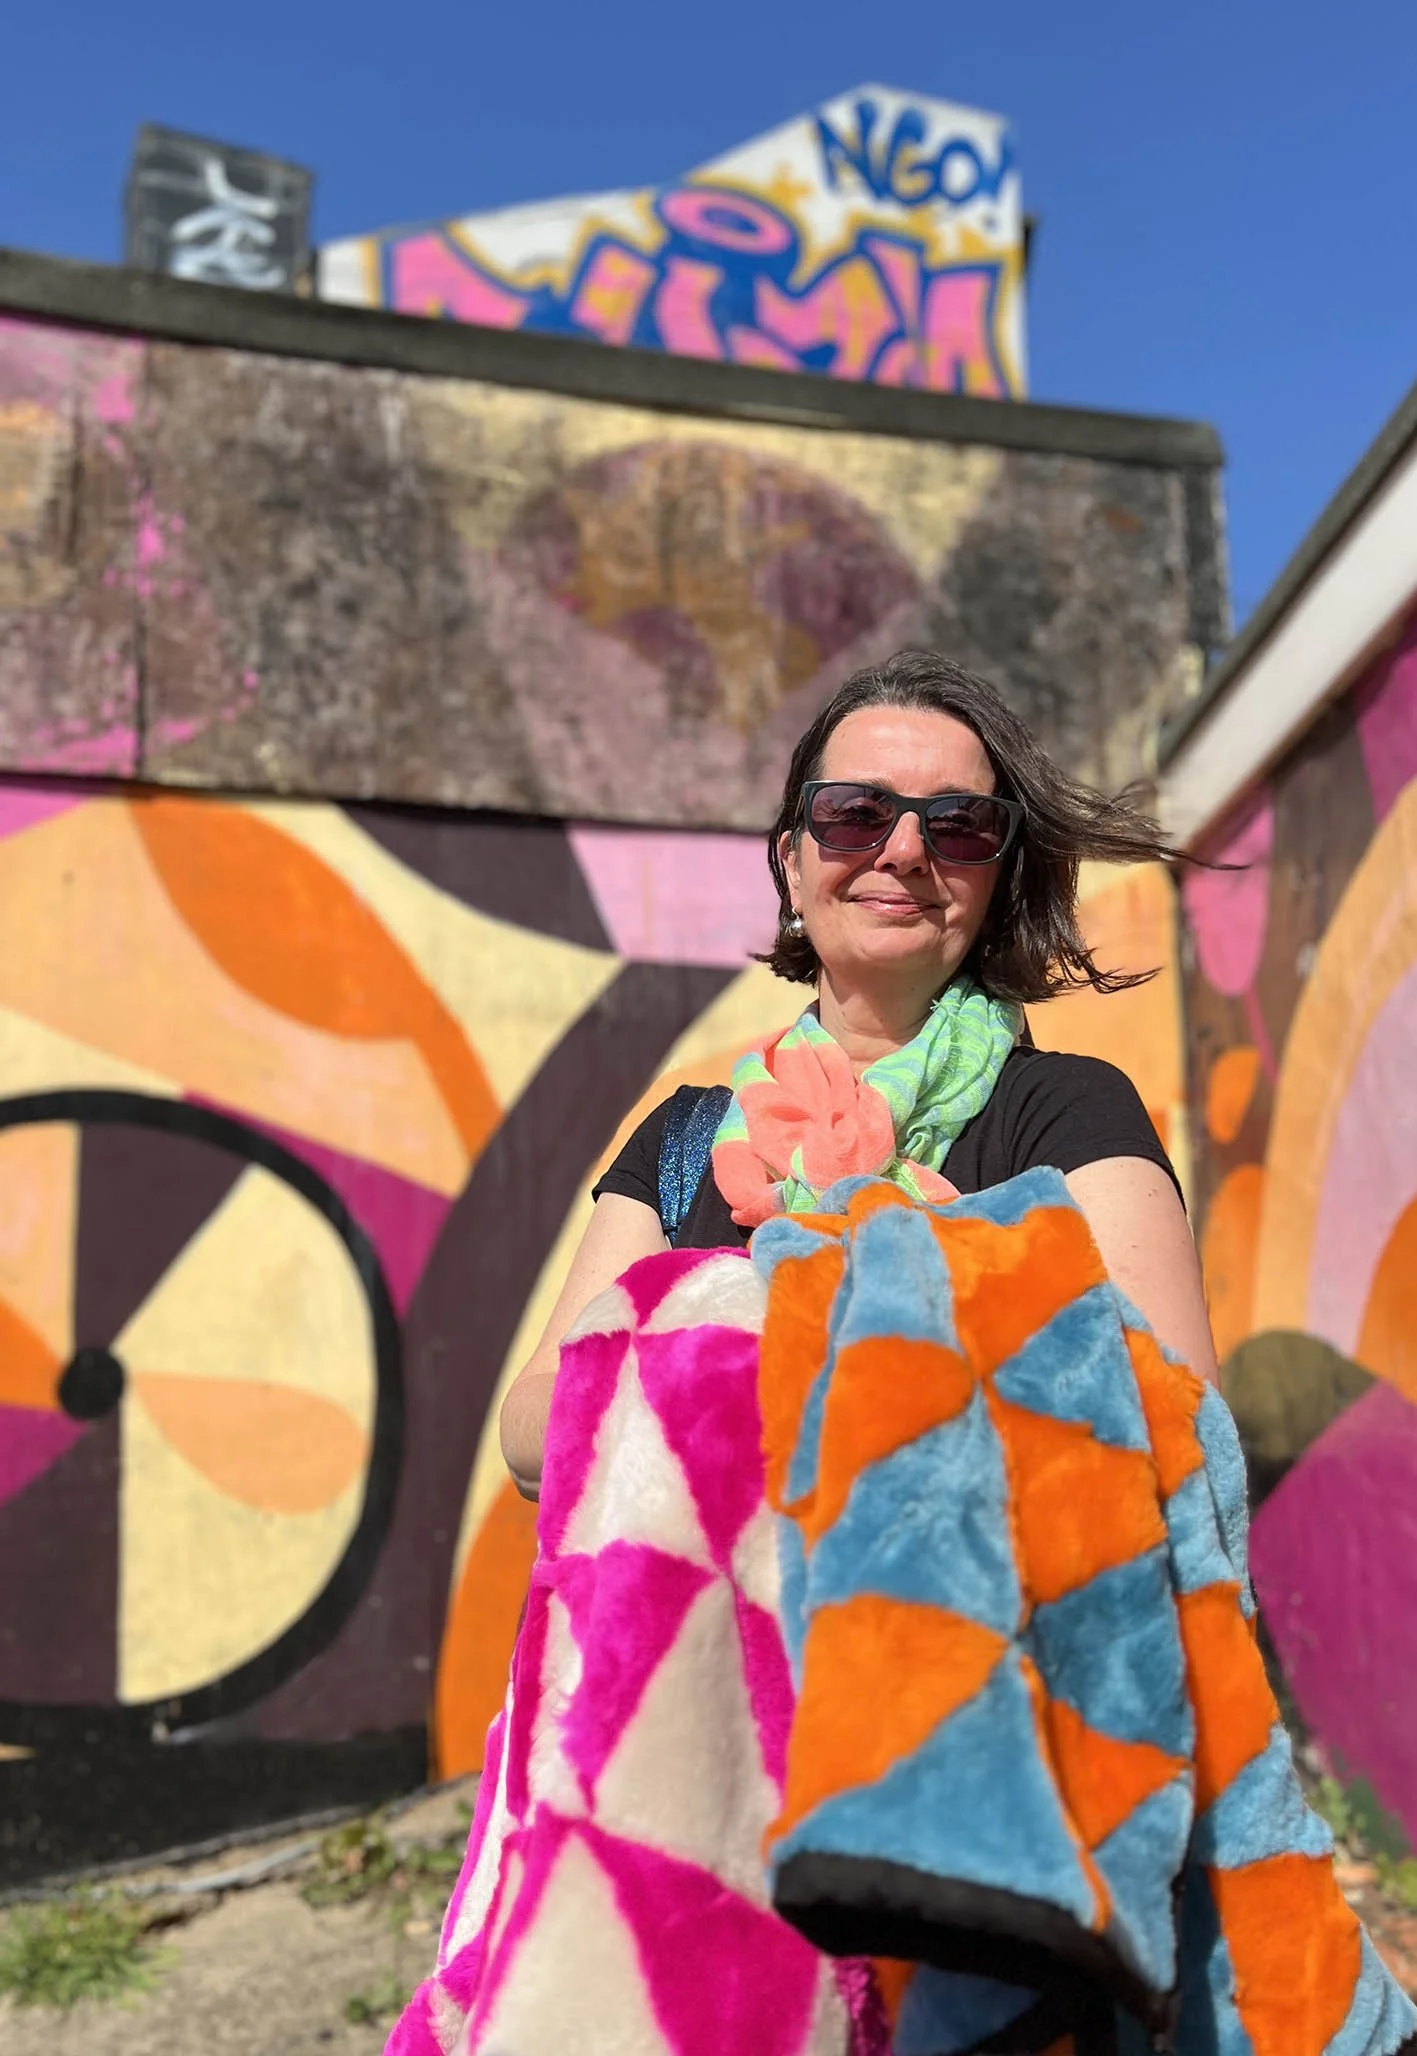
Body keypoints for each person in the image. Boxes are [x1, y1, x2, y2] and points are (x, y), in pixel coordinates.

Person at [500, 649, 1215, 1498]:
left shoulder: (1068, 1114)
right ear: (791, 864)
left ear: (995, 881)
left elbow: (1174, 1415)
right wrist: (745, 1390)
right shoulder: (685, 1138)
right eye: (855, 813)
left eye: (959, 824)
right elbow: (530, 1426)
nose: (904, 849)